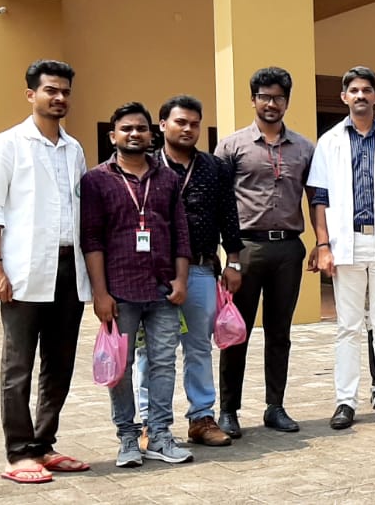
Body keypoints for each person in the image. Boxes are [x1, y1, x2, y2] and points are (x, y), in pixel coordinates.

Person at [0, 59, 92, 484]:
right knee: (18, 366)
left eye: (65, 91)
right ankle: (18, 452)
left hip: (69, 268)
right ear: (31, 94)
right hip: (23, 270)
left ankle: (43, 444)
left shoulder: (74, 149)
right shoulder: (7, 144)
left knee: (59, 364)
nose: (59, 97)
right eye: (50, 90)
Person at [81, 102, 193, 467]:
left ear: (151, 134)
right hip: (119, 291)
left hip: (163, 289)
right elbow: (92, 239)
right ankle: (127, 438)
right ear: (112, 136)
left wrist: (181, 279)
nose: (134, 134)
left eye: (141, 128)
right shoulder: (96, 180)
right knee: (120, 366)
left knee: (163, 363)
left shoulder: (168, 179)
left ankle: (159, 435)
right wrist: (100, 293)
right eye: (126, 128)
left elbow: (181, 233)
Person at [131, 96, 244, 449]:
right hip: (153, 273)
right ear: (162, 124)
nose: (188, 129)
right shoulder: (144, 166)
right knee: (151, 351)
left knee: (198, 347)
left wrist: (234, 261)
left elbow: (229, 215)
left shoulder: (215, 167)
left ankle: (201, 418)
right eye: (180, 122)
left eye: (194, 123)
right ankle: (149, 422)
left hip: (200, 268)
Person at [309, 67, 375, 430]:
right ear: (344, 97)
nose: (360, 96)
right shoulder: (329, 141)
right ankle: (346, 401)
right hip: (345, 242)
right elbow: (319, 198)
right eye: (353, 90)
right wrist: (323, 245)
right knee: (348, 327)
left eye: (367, 90)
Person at [215, 67, 315, 437]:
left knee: (279, 333)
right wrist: (230, 257)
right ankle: (229, 411)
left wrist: (321, 243)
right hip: (246, 248)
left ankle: (275, 406)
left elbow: (316, 198)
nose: (271, 104)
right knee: (235, 331)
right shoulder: (232, 146)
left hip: (288, 249)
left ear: (287, 101)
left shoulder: (304, 148)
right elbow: (219, 202)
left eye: (278, 98)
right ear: (253, 99)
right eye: (264, 97)